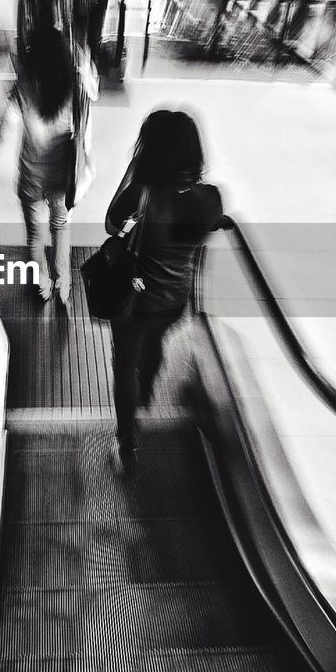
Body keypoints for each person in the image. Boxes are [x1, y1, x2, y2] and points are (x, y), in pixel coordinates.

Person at [104, 110, 223, 466]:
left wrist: (133, 170)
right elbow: (210, 228)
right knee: (154, 342)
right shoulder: (211, 197)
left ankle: (127, 445)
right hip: (175, 299)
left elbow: (112, 225)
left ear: (148, 151)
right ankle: (147, 391)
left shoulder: (140, 196)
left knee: (123, 365)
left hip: (133, 302)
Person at [0, 27, 80, 304]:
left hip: (31, 175)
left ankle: (42, 283)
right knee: (61, 227)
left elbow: (1, 131)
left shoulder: (22, 88)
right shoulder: (73, 87)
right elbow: (83, 130)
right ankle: (63, 283)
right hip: (61, 176)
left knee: (34, 235)